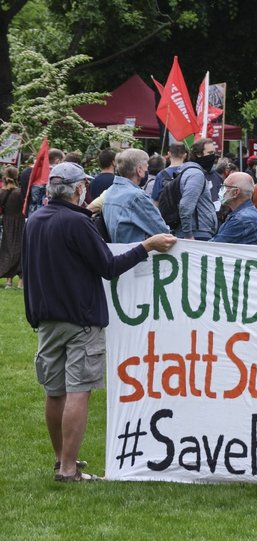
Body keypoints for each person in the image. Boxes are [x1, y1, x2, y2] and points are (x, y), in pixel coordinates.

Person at [23, 164, 176, 482]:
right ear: (78, 189)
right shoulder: (78, 222)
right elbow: (109, 266)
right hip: (80, 318)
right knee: (77, 391)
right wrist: (146, 246)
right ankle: (68, 468)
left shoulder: (35, 219)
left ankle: (61, 460)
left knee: (54, 392)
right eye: (84, 186)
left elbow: (29, 268)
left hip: (47, 317)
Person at [101, 149, 169, 244]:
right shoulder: (136, 196)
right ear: (139, 170)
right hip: (139, 255)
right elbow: (162, 232)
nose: (147, 171)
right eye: (146, 167)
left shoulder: (110, 191)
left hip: (118, 253)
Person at [174, 138, 219, 240]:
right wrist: (188, 235)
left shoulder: (190, 171)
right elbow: (185, 206)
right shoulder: (196, 174)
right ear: (198, 154)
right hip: (197, 234)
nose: (213, 157)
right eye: (210, 153)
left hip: (198, 231)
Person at [211, 172, 257, 245]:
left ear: (235, 192)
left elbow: (215, 245)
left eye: (225, 187)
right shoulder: (244, 214)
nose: (221, 190)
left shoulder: (242, 219)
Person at [0, 166, 23, 288]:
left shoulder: (2, 192)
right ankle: (21, 281)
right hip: (20, 221)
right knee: (20, 249)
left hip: (8, 222)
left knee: (7, 249)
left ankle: (8, 281)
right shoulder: (20, 192)